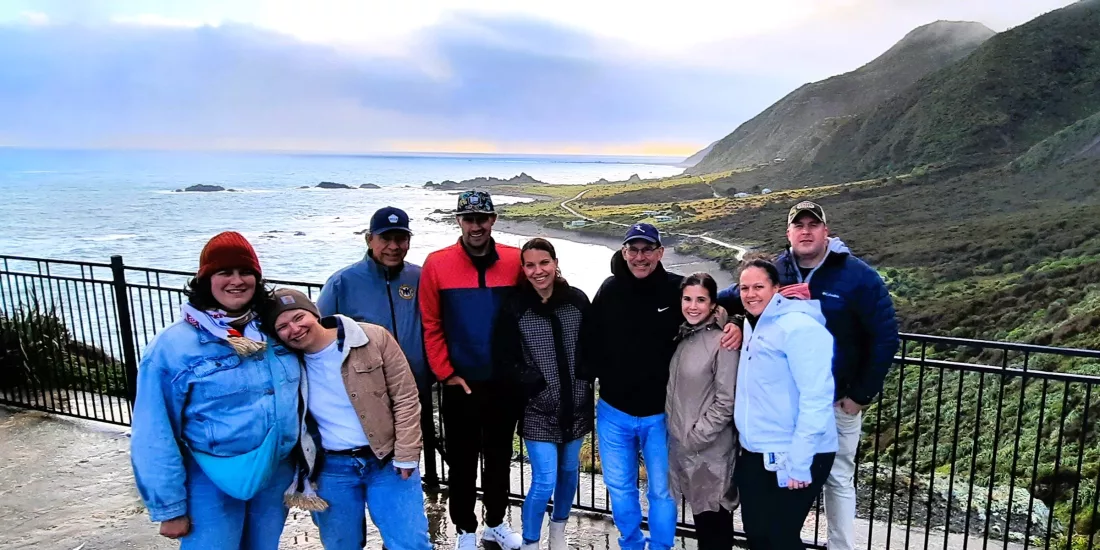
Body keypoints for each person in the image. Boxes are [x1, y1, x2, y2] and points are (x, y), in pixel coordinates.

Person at [717, 201, 899, 550]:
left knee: (838, 479)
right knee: (780, 515)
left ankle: (840, 546)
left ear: (825, 230)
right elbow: (737, 298)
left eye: (812, 225)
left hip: (836, 400)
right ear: (788, 234)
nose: (805, 231)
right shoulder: (777, 269)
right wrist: (735, 322)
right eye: (797, 225)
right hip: (785, 413)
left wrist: (861, 393)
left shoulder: (856, 275)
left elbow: (885, 335)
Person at [131, 231, 300, 550]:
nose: (237, 280)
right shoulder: (173, 347)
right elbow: (153, 431)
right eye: (225, 272)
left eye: (245, 271)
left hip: (273, 474)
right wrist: (170, 508)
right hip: (210, 478)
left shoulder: (275, 332)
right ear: (205, 279)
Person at [269, 288, 431, 550]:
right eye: (283, 327)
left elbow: (405, 396)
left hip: (387, 462)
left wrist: (408, 450)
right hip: (331, 469)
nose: (295, 329)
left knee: (410, 542)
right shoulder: (286, 363)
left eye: (299, 317)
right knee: (341, 545)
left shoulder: (372, 337)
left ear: (313, 312)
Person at [419, 190, 525, 550]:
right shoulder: (437, 263)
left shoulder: (515, 260)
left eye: (482, 218)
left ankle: (495, 523)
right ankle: (465, 528)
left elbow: (535, 305)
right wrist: (446, 372)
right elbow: (430, 323)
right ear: (459, 221)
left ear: (493, 219)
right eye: (468, 218)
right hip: (459, 383)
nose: (475, 225)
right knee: (461, 463)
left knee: (499, 458)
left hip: (503, 382)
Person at [579, 223, 681, 550]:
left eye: (647, 249)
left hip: (660, 416)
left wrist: (733, 320)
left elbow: (712, 306)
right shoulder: (609, 290)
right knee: (620, 488)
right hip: (614, 412)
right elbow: (589, 340)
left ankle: (661, 547)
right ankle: (632, 544)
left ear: (660, 253)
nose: (640, 257)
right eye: (633, 250)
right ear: (624, 253)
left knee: (662, 490)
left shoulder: (677, 289)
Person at [316, 206, 437, 482]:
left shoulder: (420, 277)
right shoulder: (342, 282)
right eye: (386, 238)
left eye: (401, 238)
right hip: (366, 400)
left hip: (416, 392)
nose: (394, 246)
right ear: (369, 239)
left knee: (408, 468)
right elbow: (318, 338)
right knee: (370, 468)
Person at [492, 238, 593, 550]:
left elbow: (593, 344)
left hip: (576, 405)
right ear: (523, 269)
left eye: (544, 263)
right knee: (545, 479)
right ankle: (532, 542)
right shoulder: (515, 306)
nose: (538, 271)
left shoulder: (576, 300)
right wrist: (534, 384)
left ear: (555, 262)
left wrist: (584, 378)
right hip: (538, 409)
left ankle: (558, 535)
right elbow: (503, 357)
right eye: (531, 265)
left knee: (568, 472)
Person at [733, 258, 837, 549]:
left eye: (758, 287)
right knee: (757, 535)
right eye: (744, 288)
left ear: (777, 288)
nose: (750, 294)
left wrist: (800, 463)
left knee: (781, 538)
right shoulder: (755, 323)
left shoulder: (800, 327)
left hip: (797, 452)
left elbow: (816, 397)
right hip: (757, 450)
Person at [665, 273, 739, 550]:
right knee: (705, 526)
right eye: (687, 299)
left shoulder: (723, 342)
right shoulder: (686, 335)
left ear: (712, 304)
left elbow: (726, 400)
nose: (693, 306)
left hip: (709, 453)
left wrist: (695, 437)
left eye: (700, 300)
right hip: (689, 452)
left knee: (715, 528)